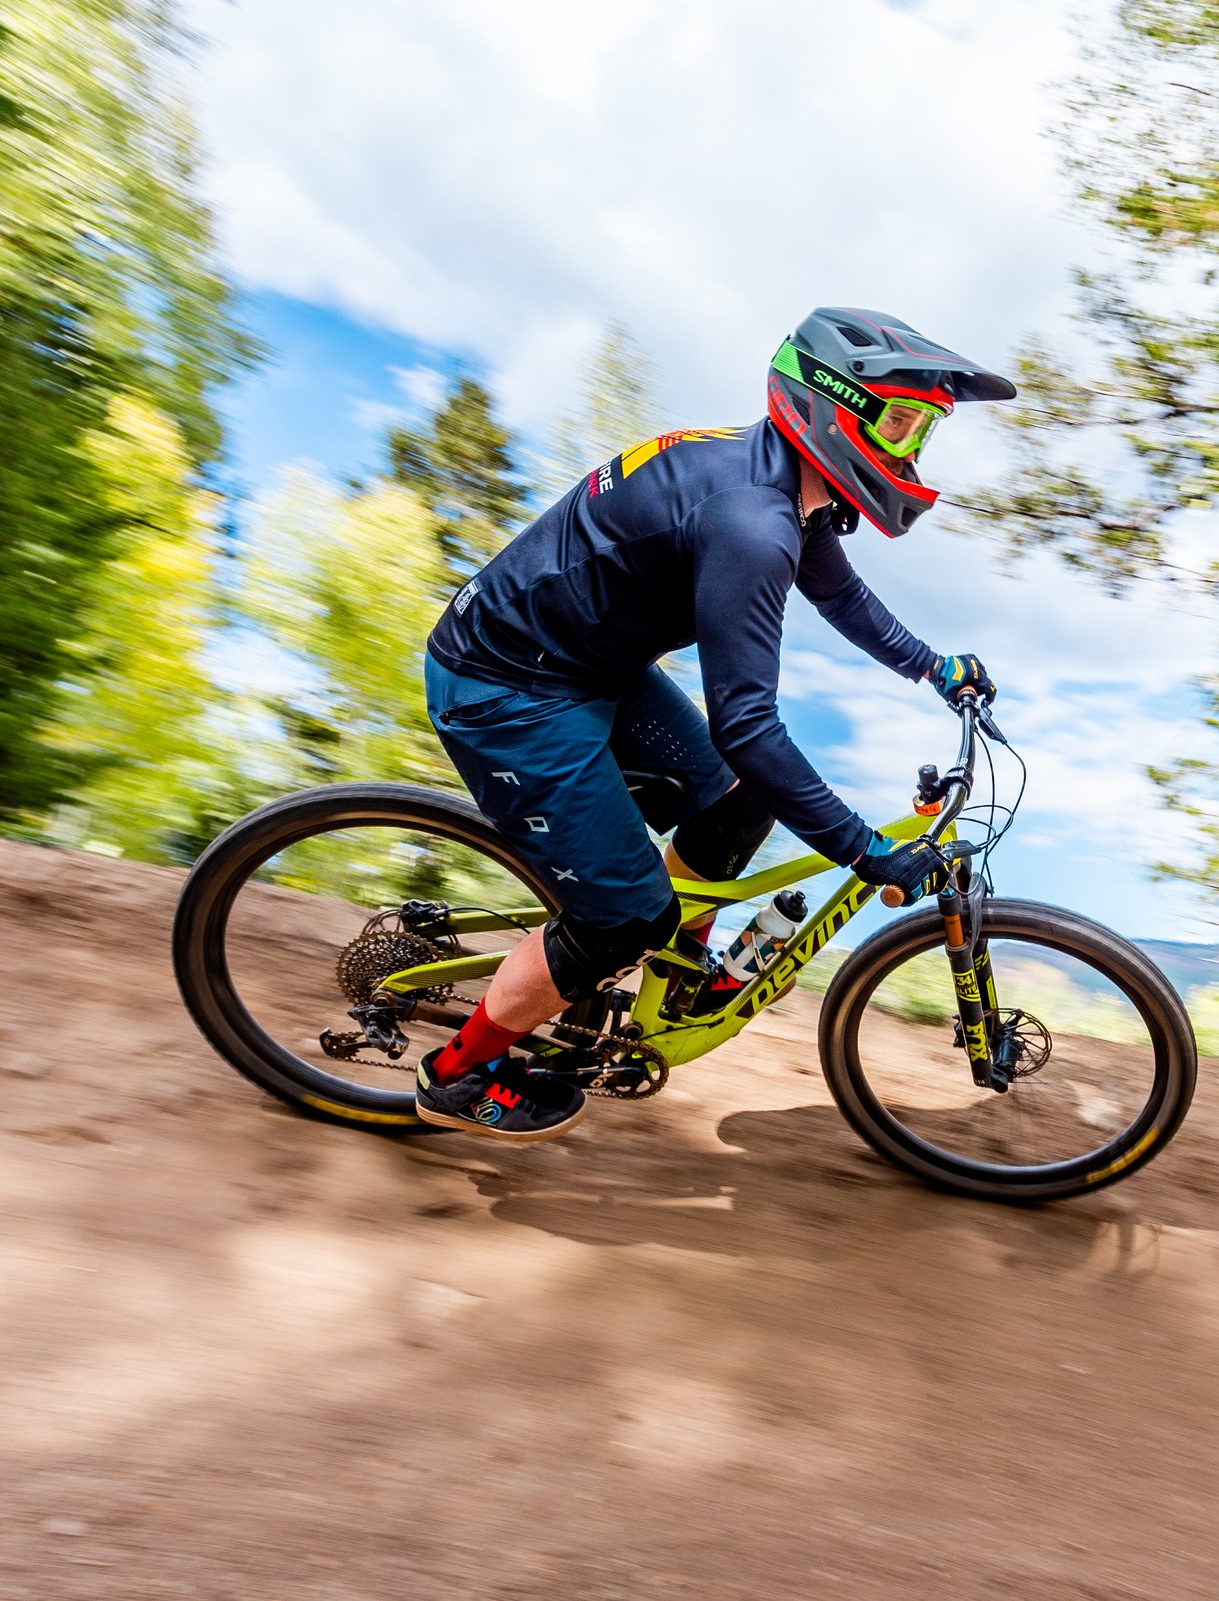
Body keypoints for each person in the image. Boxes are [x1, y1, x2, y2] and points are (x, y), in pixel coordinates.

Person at [412, 308, 1011, 1141]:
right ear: (835, 407)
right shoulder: (753, 524)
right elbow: (748, 725)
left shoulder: (776, 480)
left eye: (923, 432)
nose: (911, 450)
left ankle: (677, 967)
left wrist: (931, 665)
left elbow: (837, 593)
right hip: (506, 686)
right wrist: (865, 849)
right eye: (903, 423)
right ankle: (459, 1070)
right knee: (624, 915)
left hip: (582, 666)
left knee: (738, 801)